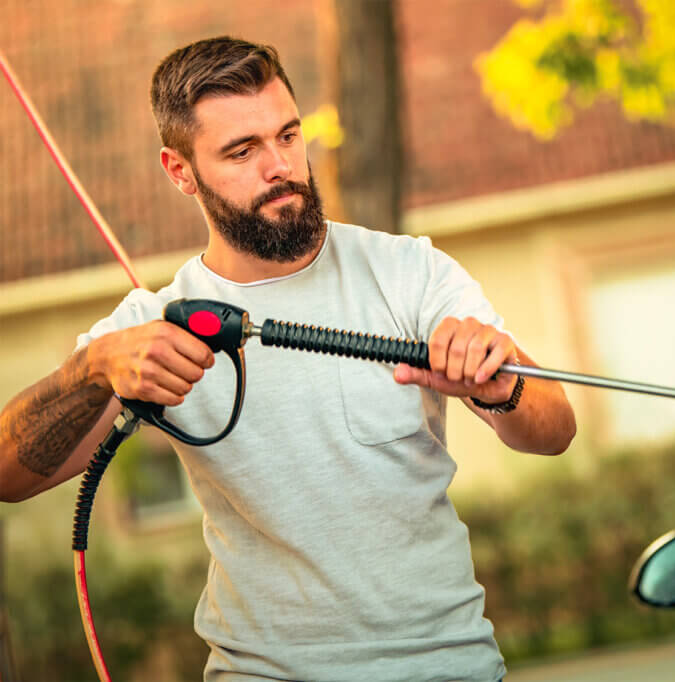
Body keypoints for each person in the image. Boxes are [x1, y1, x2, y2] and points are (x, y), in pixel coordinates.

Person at [0, 36, 576, 681]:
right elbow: (6, 475)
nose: (279, 166)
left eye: (288, 135)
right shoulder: (151, 325)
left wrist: (502, 390)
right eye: (241, 152)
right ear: (179, 170)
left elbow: (555, 430)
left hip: (446, 666)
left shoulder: (408, 271)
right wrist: (91, 369)